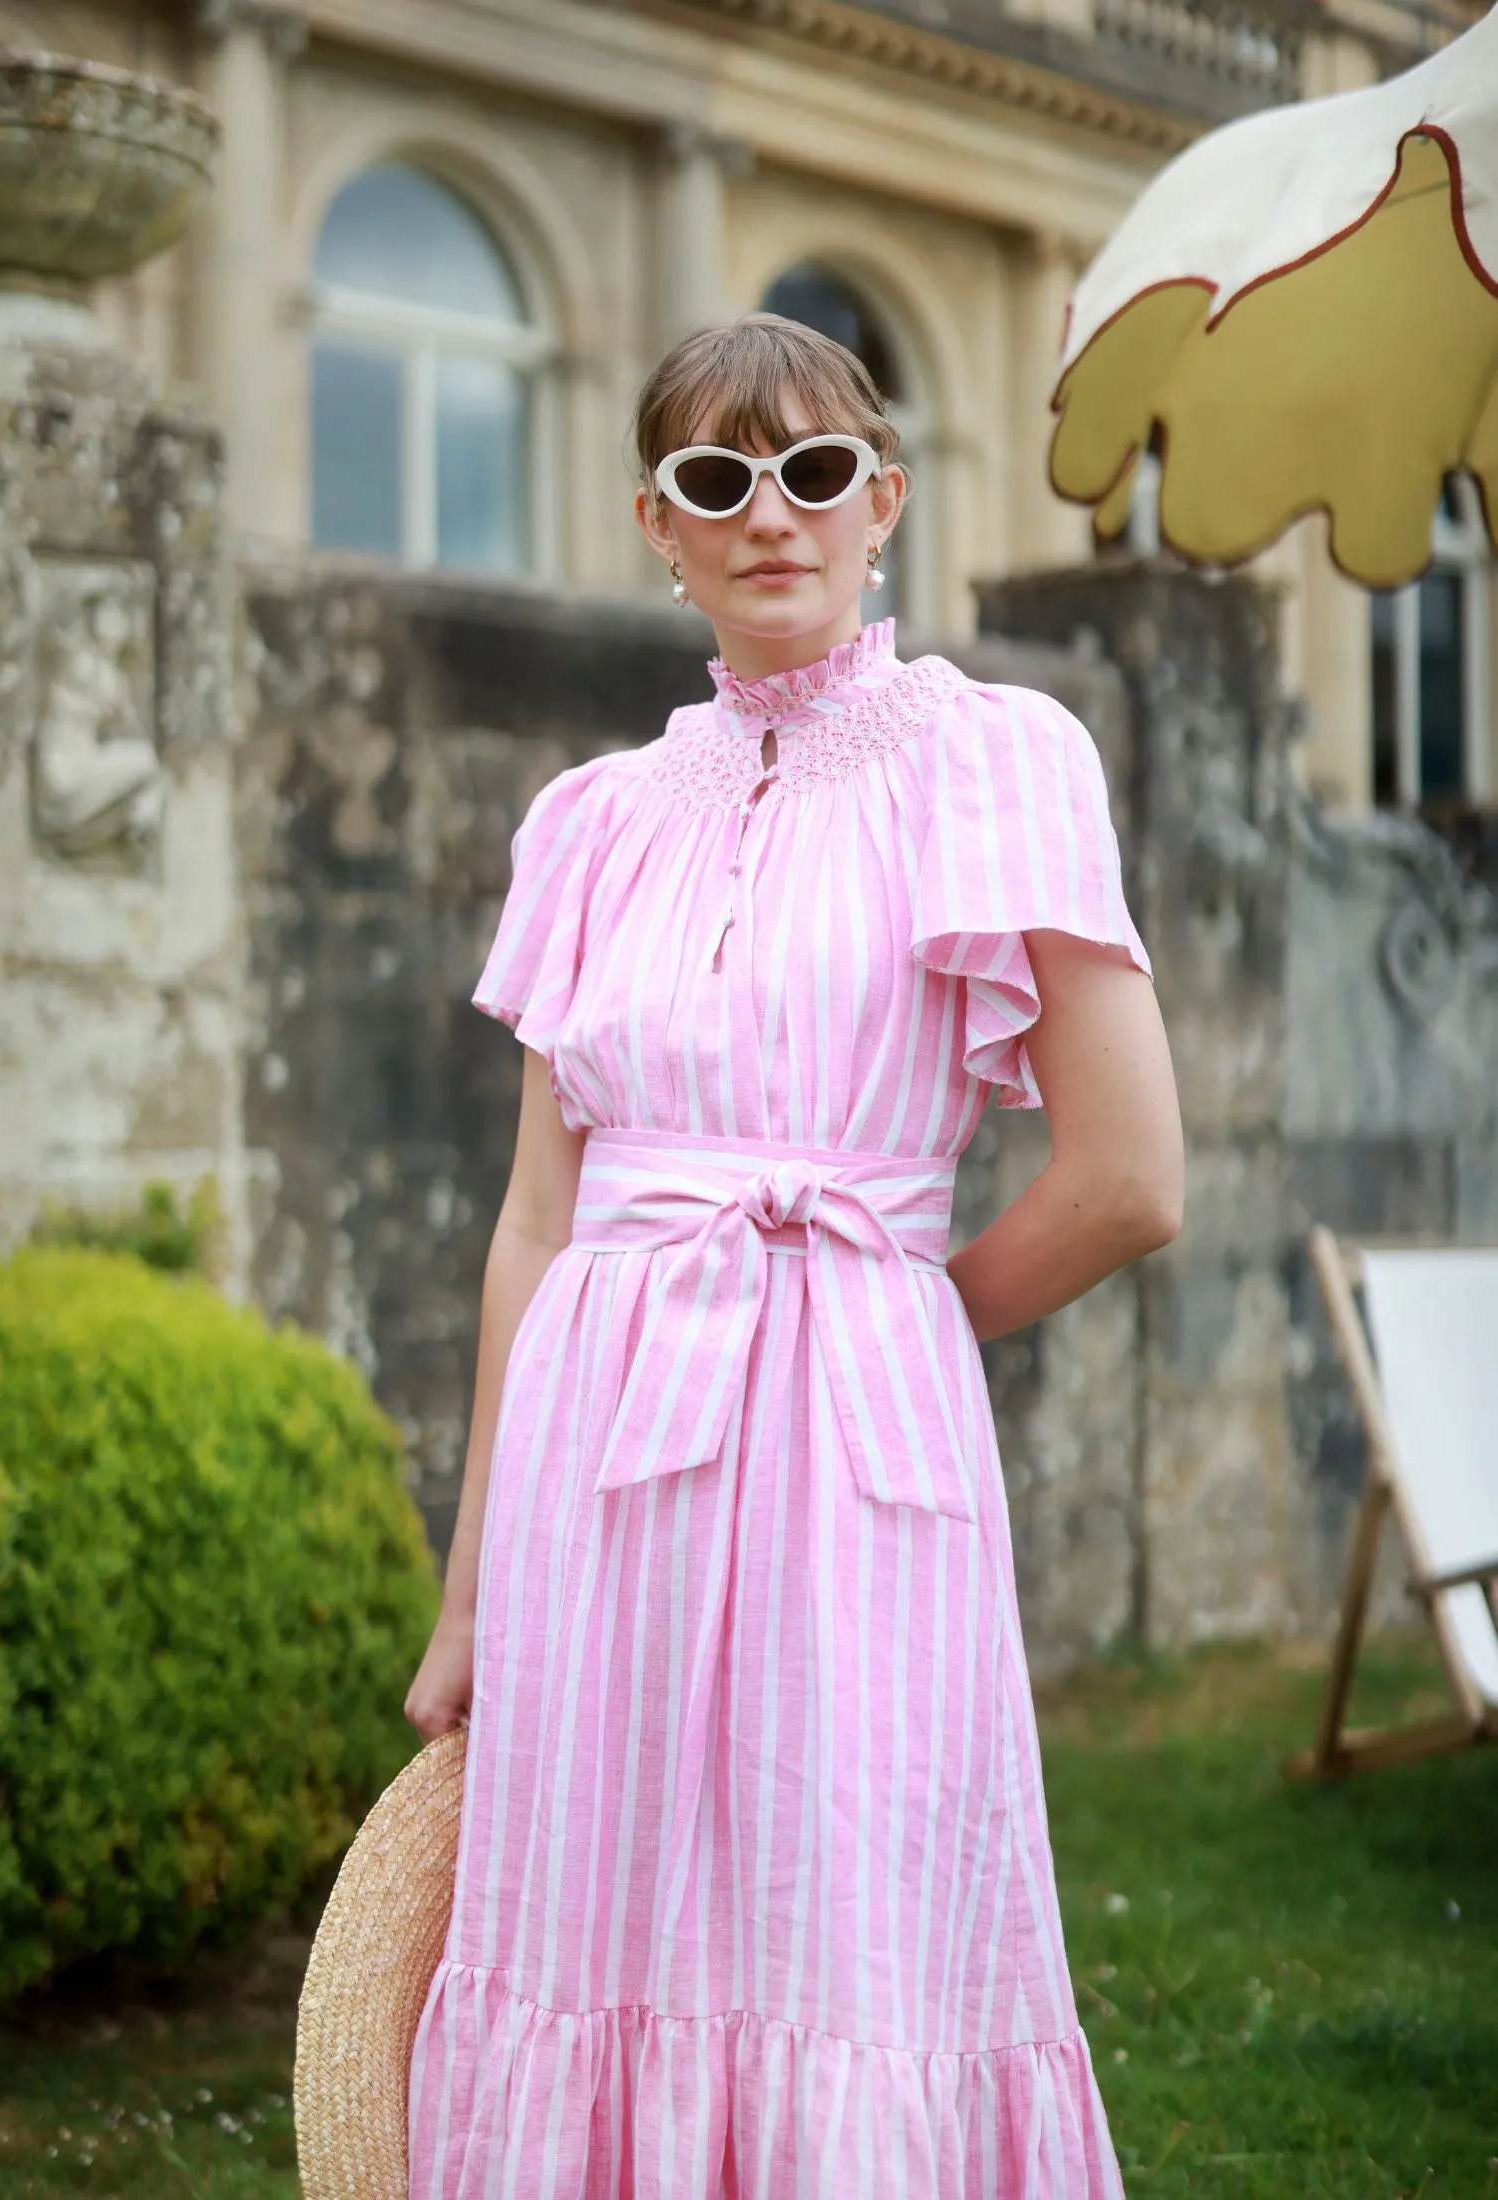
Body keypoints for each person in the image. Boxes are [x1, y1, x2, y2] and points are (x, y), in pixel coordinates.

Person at [403, 311, 1183, 2198]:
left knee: (843, 1900)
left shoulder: (995, 759)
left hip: (851, 1434)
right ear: (657, 524)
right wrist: (470, 1589)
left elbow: (1133, 1177)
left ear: (884, 501)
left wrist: (886, 1313)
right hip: (599, 1455)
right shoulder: (585, 822)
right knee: (599, 1898)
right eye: (720, 480)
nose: (775, 514)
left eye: (818, 470)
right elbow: (535, 1221)